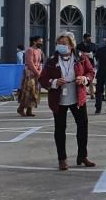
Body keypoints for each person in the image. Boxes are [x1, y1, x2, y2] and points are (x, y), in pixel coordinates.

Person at [40, 31, 96, 170]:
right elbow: (42, 79)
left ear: (71, 45)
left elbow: (90, 72)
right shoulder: (52, 60)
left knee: (83, 127)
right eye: (59, 43)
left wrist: (84, 79)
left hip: (78, 97)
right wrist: (54, 82)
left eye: (64, 44)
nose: (61, 46)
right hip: (59, 99)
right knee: (60, 129)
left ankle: (82, 156)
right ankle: (62, 159)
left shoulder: (81, 57)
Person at [18, 35, 44, 117]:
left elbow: (40, 62)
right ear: (34, 42)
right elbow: (30, 63)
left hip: (36, 73)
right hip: (29, 73)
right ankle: (21, 108)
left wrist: (40, 71)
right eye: (39, 41)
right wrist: (37, 72)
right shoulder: (29, 50)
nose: (41, 43)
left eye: (41, 41)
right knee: (28, 91)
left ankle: (29, 110)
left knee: (34, 91)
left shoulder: (39, 51)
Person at [77, 34, 97, 99]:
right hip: (81, 64)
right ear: (84, 38)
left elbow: (96, 53)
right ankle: (84, 92)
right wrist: (82, 54)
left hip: (91, 64)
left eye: (90, 38)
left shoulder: (93, 45)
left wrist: (91, 54)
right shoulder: (79, 45)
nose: (89, 39)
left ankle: (92, 94)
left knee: (90, 79)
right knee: (82, 78)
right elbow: (77, 52)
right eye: (88, 38)